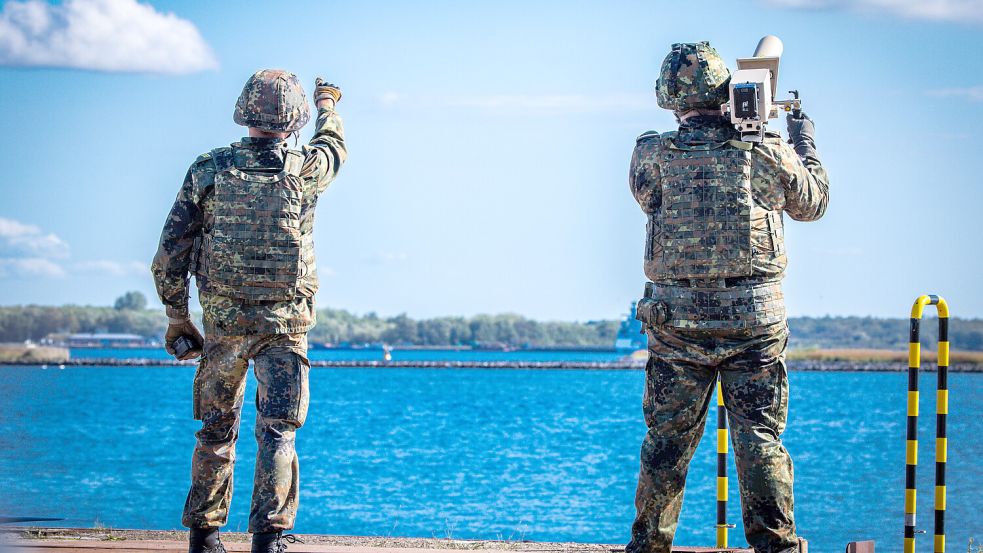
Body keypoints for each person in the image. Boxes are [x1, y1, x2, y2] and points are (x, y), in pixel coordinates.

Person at [625, 42, 828, 553]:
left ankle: (648, 545)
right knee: (759, 439)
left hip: (677, 324)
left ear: (669, 99)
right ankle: (776, 545)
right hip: (753, 323)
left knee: (667, 443)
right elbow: (813, 202)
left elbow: (646, 194)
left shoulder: (651, 153)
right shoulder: (763, 152)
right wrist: (803, 143)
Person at [151, 69, 347, 553]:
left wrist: (178, 315)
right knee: (278, 431)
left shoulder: (210, 168)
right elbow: (334, 147)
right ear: (294, 119)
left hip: (224, 322)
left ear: (245, 112)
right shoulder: (306, 168)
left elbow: (171, 250)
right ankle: (270, 538)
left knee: (216, 430)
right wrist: (328, 105)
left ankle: (205, 535)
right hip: (286, 323)